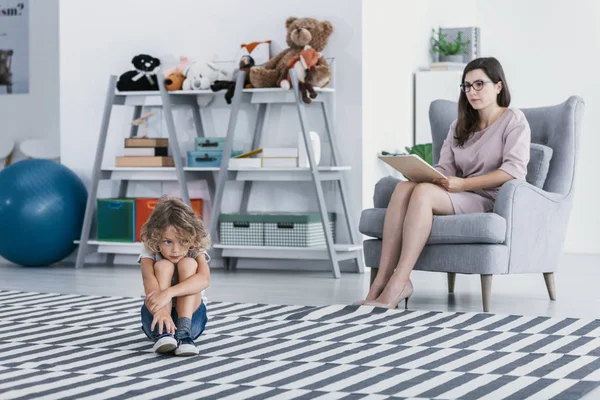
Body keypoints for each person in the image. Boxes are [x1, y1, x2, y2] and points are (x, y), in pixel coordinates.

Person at [356, 57, 531, 309]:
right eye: (467, 86)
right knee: (405, 187)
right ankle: (379, 284)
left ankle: (401, 281)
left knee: (424, 195)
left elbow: (513, 171)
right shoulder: (459, 125)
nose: (472, 91)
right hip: (459, 193)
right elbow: (444, 169)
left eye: (479, 84)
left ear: (499, 86)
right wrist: (419, 173)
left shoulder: (514, 120)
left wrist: (463, 185)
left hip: (488, 197)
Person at [138, 196, 211, 356]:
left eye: (182, 241)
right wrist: (160, 311)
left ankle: (184, 335)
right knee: (163, 265)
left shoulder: (196, 247)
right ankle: (163, 333)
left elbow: (204, 279)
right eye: (168, 242)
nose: (175, 250)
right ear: (156, 237)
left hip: (191, 318)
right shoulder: (149, 247)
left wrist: (168, 293)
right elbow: (148, 279)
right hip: (156, 315)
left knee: (189, 264)